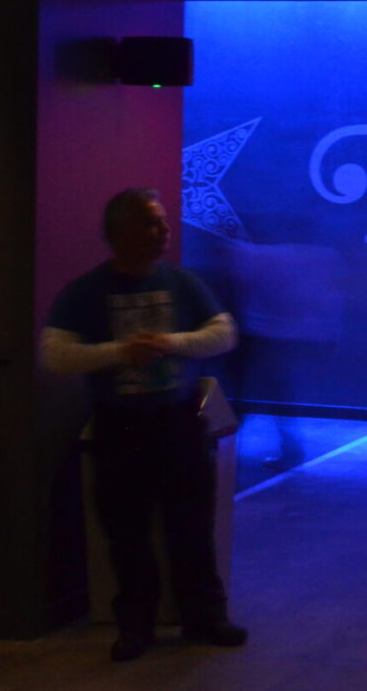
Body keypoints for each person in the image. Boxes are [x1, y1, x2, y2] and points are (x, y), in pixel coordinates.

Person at [40, 188, 245, 662]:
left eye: (164, 222)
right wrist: (119, 353)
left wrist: (168, 343)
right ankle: (136, 624)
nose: (165, 232)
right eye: (153, 223)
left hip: (178, 422)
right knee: (127, 533)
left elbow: (224, 333)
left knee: (192, 526)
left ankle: (205, 617)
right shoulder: (86, 292)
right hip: (119, 426)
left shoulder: (182, 282)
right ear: (120, 234)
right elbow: (54, 353)